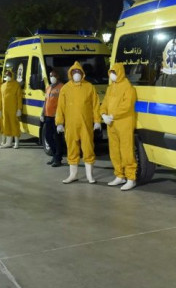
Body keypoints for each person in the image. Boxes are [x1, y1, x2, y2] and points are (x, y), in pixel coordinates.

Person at [56, 61, 101, 184]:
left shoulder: (89, 87)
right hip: (70, 125)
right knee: (72, 148)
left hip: (86, 125)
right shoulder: (65, 89)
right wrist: (59, 122)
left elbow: (95, 105)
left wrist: (97, 120)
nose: (76, 74)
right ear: (70, 74)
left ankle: (89, 175)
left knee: (88, 148)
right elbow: (60, 107)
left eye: (78, 72)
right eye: (74, 72)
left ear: (83, 74)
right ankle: (73, 174)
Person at [100, 63, 139, 191]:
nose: (112, 75)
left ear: (120, 73)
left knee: (126, 151)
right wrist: (103, 114)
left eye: (114, 72)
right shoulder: (110, 88)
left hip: (124, 124)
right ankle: (119, 175)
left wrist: (112, 115)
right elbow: (105, 102)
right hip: (111, 124)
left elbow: (127, 106)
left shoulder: (128, 88)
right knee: (114, 151)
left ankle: (131, 178)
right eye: (111, 72)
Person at [41, 69, 65, 166]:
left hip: (57, 117)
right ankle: (55, 155)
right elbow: (46, 102)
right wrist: (42, 113)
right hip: (48, 116)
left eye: (54, 75)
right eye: (50, 76)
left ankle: (58, 158)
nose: (52, 77)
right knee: (48, 136)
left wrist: (61, 119)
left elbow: (63, 104)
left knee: (57, 138)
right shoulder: (48, 87)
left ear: (58, 76)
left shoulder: (62, 87)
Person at [0, 69, 23, 148]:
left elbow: (19, 97)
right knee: (6, 125)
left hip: (13, 109)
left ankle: (16, 142)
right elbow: (0, 98)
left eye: (9, 75)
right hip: (4, 109)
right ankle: (8, 142)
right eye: (6, 75)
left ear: (12, 76)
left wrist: (19, 109)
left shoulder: (16, 85)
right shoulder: (2, 86)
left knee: (14, 124)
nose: (8, 76)